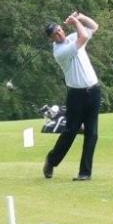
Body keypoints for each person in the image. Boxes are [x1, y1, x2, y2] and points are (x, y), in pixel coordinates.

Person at [43, 11, 101, 181]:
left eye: (60, 30)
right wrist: (75, 22)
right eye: (55, 34)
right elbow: (84, 37)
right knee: (70, 132)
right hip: (76, 95)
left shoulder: (71, 38)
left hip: (94, 90)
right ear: (51, 39)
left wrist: (80, 17)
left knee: (92, 133)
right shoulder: (60, 51)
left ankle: (85, 173)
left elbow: (94, 27)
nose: (60, 34)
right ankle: (51, 160)